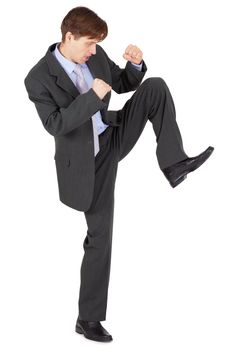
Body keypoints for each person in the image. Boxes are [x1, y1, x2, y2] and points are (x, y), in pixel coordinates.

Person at [24, 6, 214, 343]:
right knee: (101, 238)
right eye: (89, 44)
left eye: (97, 44)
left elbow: (124, 83)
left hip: (113, 135)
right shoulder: (37, 77)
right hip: (87, 162)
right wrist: (92, 97)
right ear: (69, 37)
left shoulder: (95, 55)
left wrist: (135, 65)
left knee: (154, 86)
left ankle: (174, 164)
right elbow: (55, 124)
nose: (94, 51)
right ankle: (88, 319)